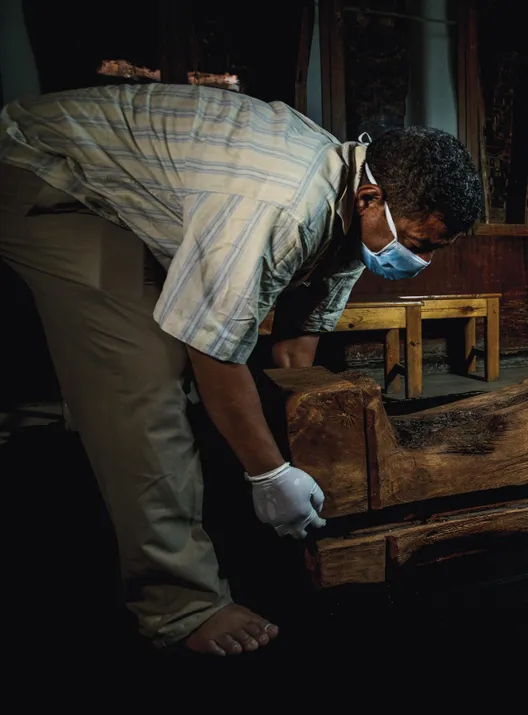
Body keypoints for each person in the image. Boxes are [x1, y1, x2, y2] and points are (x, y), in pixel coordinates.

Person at [0, 83, 483, 656]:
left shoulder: (355, 204)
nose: (423, 262)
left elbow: (294, 346)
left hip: (118, 181)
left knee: (172, 360)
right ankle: (181, 605)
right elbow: (212, 345)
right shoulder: (280, 205)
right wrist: (268, 475)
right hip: (44, 171)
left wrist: (303, 448)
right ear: (371, 199)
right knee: (147, 379)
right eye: (422, 243)